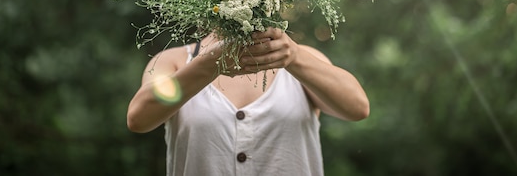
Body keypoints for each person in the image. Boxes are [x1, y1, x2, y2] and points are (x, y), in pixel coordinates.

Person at [127, 27, 369, 176]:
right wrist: (209, 63)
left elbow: (357, 108)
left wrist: (294, 56)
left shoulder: (300, 59)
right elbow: (139, 118)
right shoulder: (174, 61)